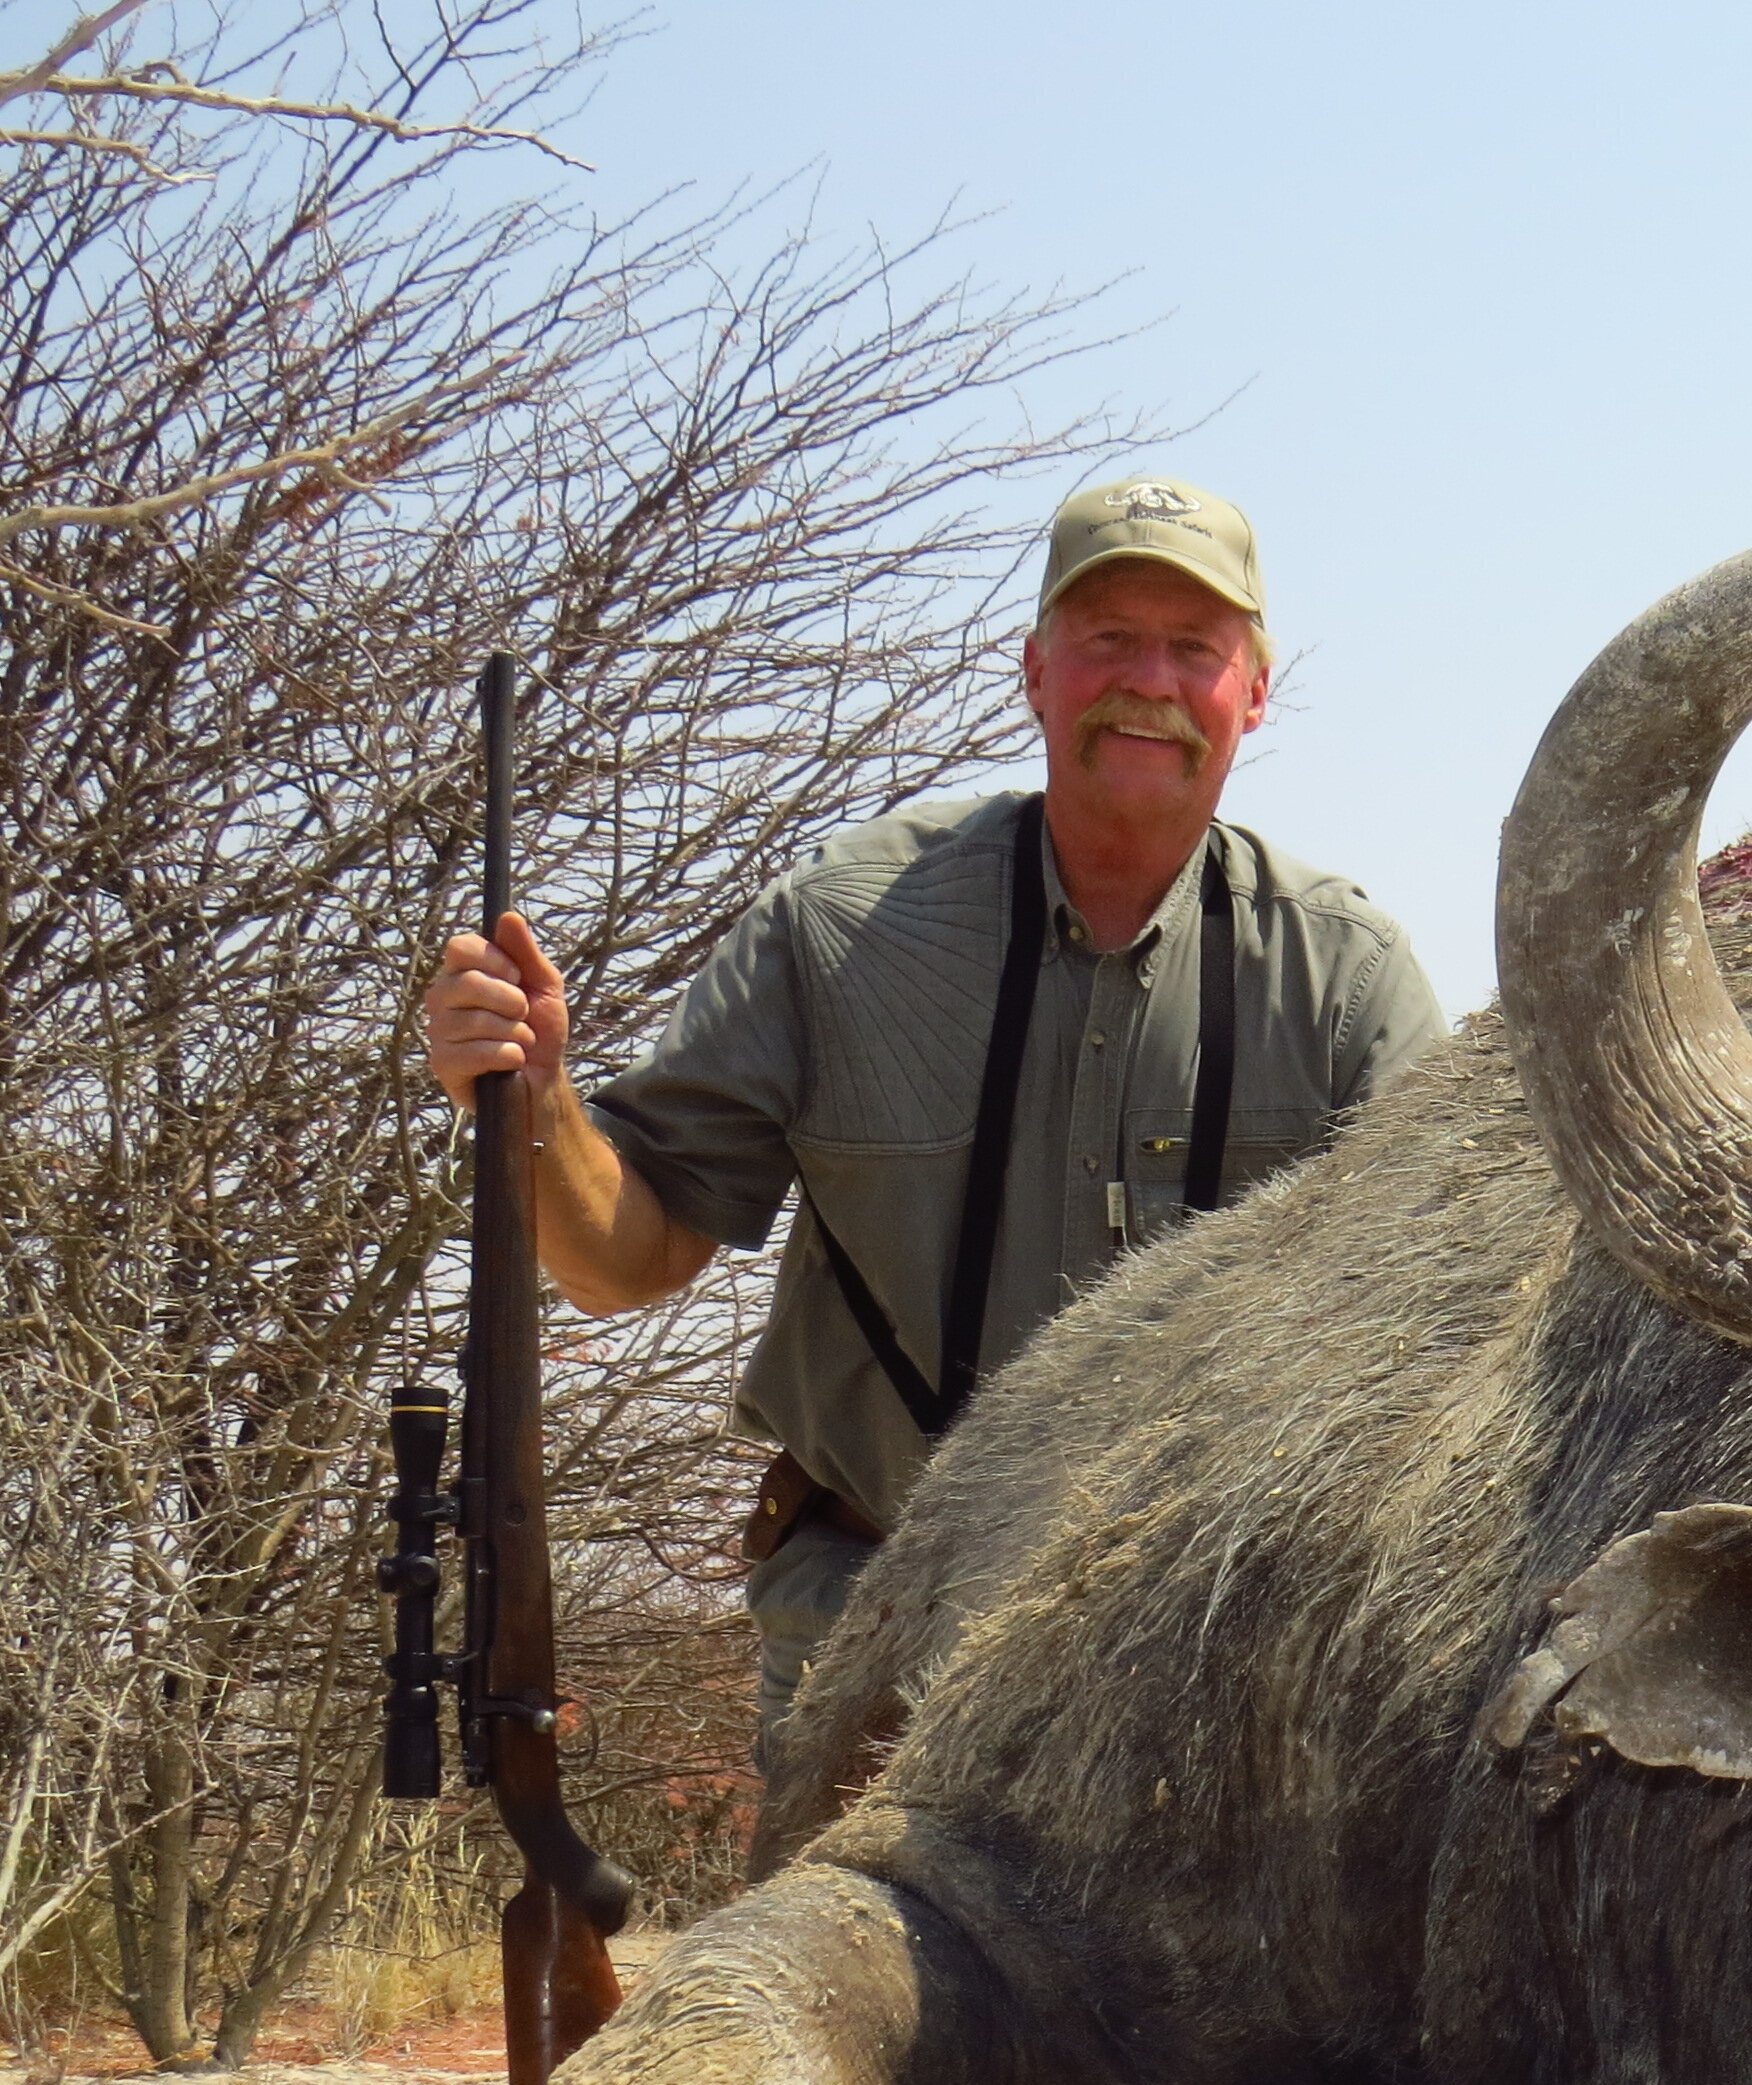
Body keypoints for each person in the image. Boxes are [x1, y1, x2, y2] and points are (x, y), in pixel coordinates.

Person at [419, 476, 1446, 1770]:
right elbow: (622, 1258)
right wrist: (536, 1103)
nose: (1151, 682)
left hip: (1213, 1669)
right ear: (1034, 670)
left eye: (1195, 649)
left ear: (1254, 690)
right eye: (1110, 640)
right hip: (876, 1639)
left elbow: (1438, 1369)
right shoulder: (840, 925)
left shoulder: (1349, 981)